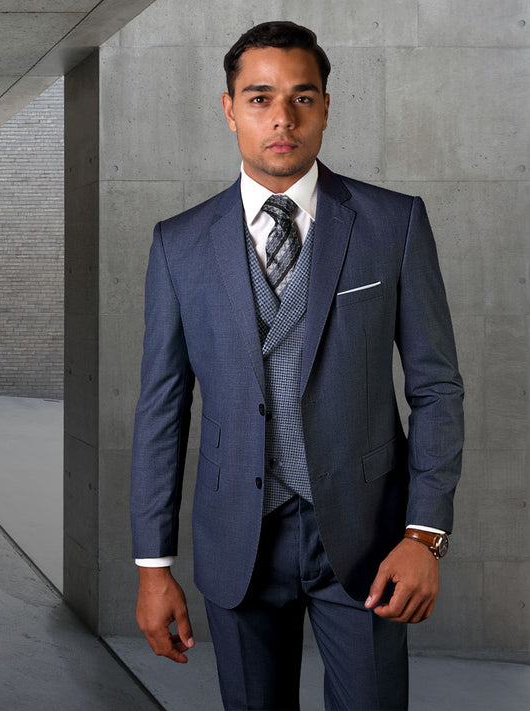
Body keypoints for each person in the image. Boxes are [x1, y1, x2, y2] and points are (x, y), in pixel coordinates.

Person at [130, 21, 464, 711]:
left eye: (301, 97)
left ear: (326, 105)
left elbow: (435, 386)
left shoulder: (391, 222)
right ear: (228, 109)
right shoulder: (179, 244)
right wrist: (152, 564)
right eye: (258, 97)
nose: (281, 117)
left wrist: (424, 534)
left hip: (369, 538)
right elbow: (162, 409)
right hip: (236, 540)